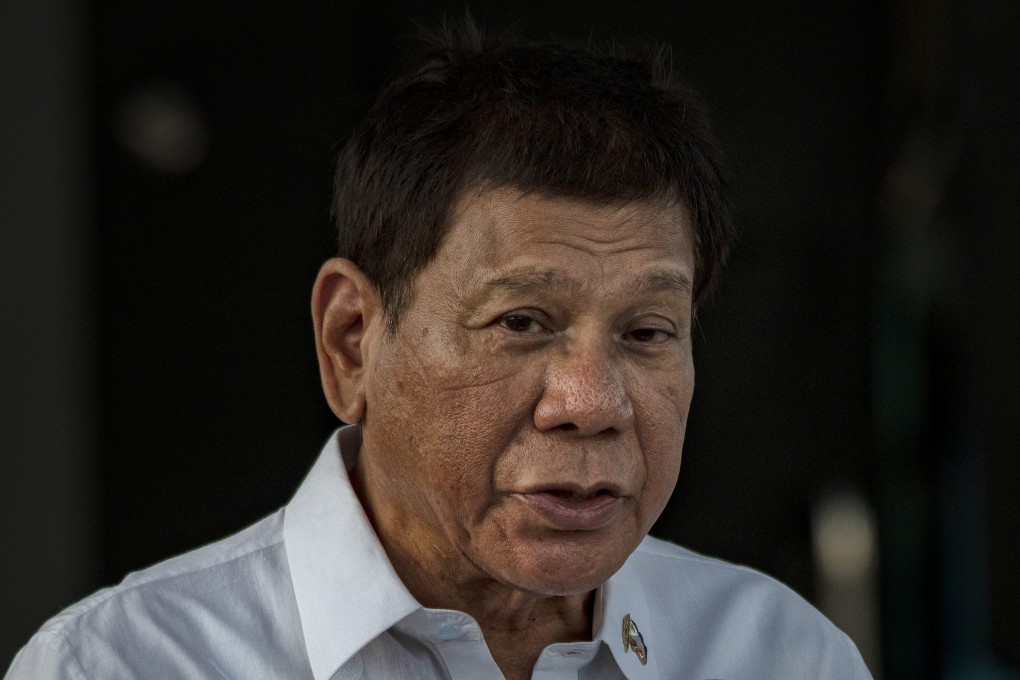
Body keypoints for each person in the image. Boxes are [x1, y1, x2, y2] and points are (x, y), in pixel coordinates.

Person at [6, 19, 872, 680]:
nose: (593, 402)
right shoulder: (125, 665)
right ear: (351, 342)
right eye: (521, 322)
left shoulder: (779, 656)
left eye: (647, 333)